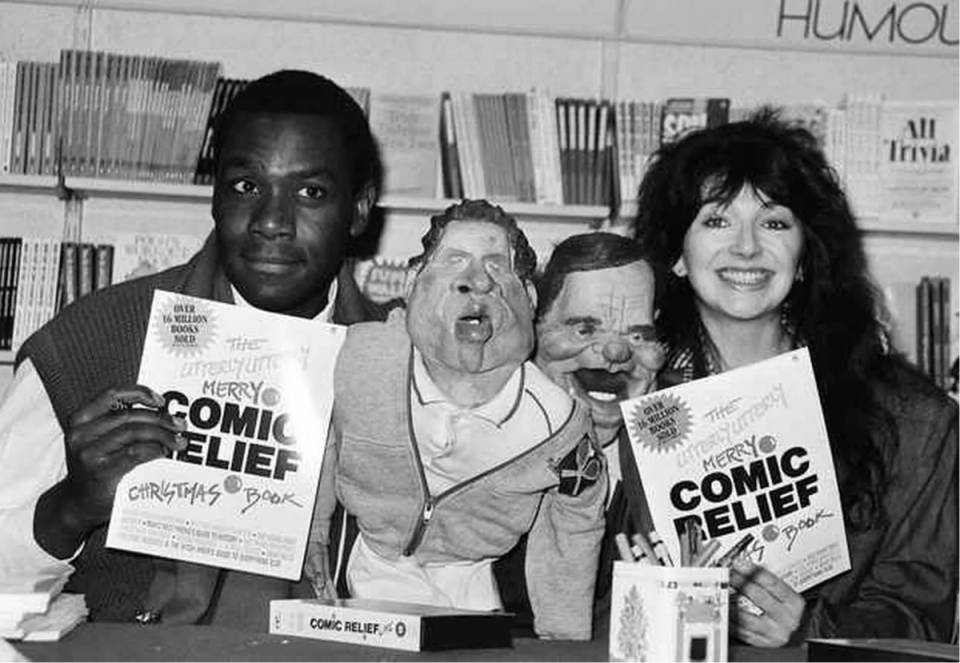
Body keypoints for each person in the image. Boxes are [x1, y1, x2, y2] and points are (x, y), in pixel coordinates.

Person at [0, 69, 393, 628]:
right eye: (246, 186)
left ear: (357, 211)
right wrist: (71, 507)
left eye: (310, 192)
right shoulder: (95, 339)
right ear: (214, 196)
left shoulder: (408, 363)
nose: (271, 222)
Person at [632, 108, 959, 646]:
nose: (745, 247)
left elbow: (922, 618)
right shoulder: (632, 402)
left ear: (805, 255)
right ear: (677, 255)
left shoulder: (915, 424)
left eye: (774, 222)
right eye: (716, 220)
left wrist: (811, 629)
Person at [306, 199, 607, 640]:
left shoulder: (555, 425)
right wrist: (312, 530)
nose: (477, 281)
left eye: (496, 266)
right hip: (373, 570)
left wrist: (562, 636)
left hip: (474, 586)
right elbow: (323, 436)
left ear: (529, 296)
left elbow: (577, 519)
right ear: (412, 283)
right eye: (455, 261)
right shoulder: (361, 359)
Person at [494, 231, 666, 636]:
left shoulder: (683, 462)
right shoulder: (476, 448)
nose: (614, 354)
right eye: (584, 329)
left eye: (638, 335)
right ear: (534, 330)